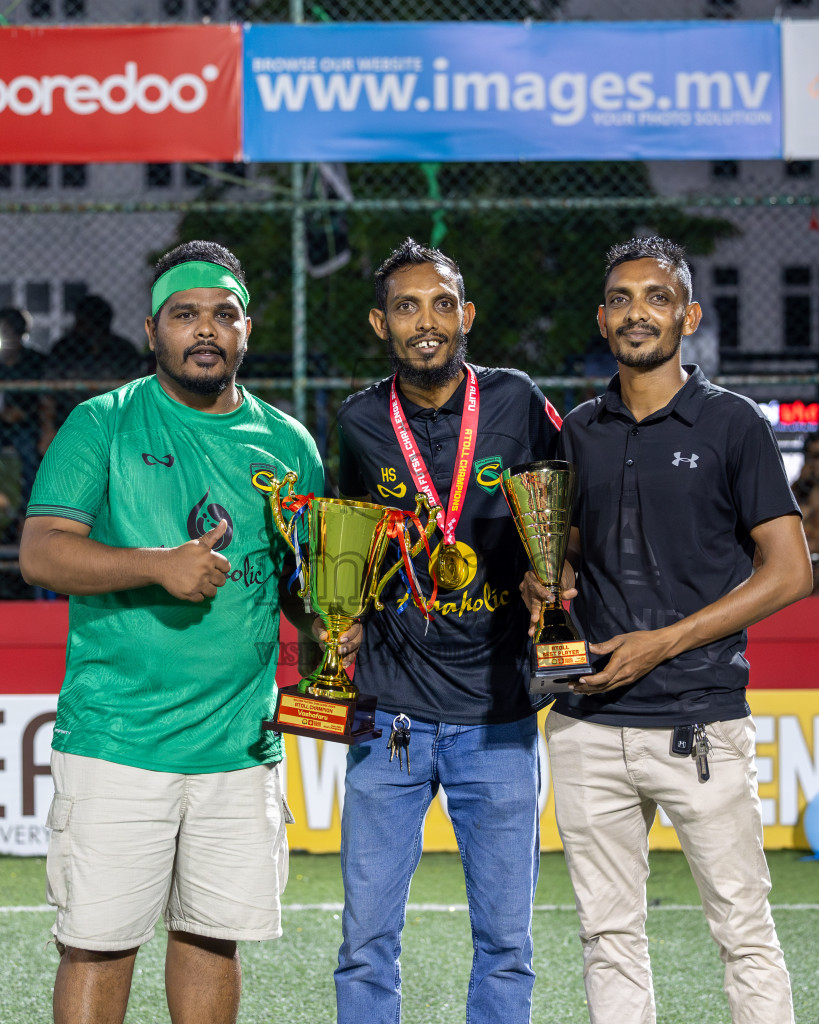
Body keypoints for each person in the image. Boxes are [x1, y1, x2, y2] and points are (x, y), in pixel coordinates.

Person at [19, 241, 334, 1024]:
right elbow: (42, 551)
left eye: (223, 315)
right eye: (185, 314)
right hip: (118, 740)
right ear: (152, 330)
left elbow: (299, 585)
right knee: (97, 945)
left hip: (239, 747)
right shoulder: (103, 424)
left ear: (246, 329)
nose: (205, 329)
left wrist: (329, 626)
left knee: (212, 940)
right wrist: (157, 566)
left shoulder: (289, 445)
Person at [522, 236, 813, 1024]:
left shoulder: (733, 424)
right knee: (606, 935)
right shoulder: (577, 428)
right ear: (600, 318)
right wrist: (545, 577)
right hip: (586, 722)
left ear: (687, 316)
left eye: (656, 297)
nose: (636, 312)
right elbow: (567, 550)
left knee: (742, 931)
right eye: (620, 299)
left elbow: (790, 572)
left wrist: (662, 642)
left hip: (698, 720)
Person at [333, 237, 561, 1024]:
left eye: (439, 304)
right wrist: (341, 614)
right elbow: (345, 542)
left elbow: (565, 510)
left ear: (466, 315)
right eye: (405, 307)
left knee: (506, 943)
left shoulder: (516, 400)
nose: (424, 322)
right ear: (380, 323)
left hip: (498, 714)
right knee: (365, 941)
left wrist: (551, 572)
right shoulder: (359, 420)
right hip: (389, 713)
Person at [41, 293, 144, 448]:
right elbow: (48, 393)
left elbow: (135, 394)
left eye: (91, 323)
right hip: (70, 419)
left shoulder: (122, 350)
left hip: (112, 421)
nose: (85, 329)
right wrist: (48, 430)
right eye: (82, 323)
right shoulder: (64, 349)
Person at [0, 306, 45, 533]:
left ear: (20, 335)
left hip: (25, 425)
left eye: (9, 332)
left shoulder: (34, 361)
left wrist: (23, 412)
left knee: (28, 452)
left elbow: (44, 400)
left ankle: (25, 518)